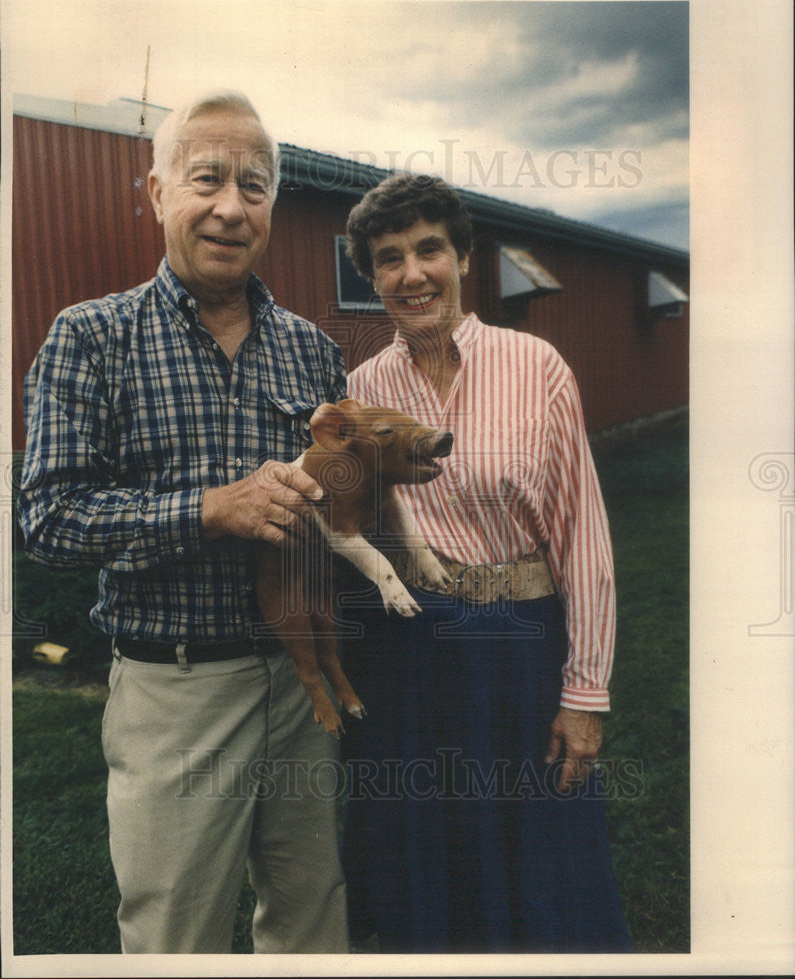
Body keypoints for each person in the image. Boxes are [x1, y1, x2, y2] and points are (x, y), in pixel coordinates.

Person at [17, 90, 349, 954]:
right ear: (158, 191)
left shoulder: (312, 352)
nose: (231, 207)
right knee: (176, 937)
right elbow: (47, 518)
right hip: (175, 691)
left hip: (299, 682)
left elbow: (338, 505)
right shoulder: (91, 336)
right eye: (207, 179)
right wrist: (209, 509)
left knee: (311, 918)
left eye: (256, 185)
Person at [337, 172, 632, 953]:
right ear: (372, 279)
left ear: (463, 257)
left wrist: (584, 694)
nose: (411, 273)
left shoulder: (536, 367)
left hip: (520, 653)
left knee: (540, 860)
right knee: (429, 863)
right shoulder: (363, 390)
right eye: (388, 258)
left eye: (428, 249)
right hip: (411, 660)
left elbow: (583, 539)